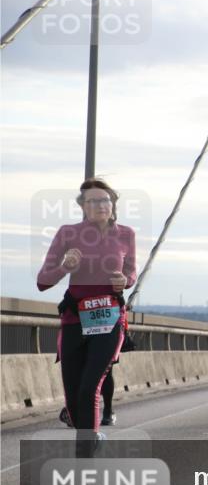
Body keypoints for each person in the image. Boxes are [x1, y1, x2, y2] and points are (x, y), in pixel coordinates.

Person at [37, 177, 136, 452]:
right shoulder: (68, 233)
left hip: (109, 320)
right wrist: (64, 268)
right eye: (93, 201)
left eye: (105, 199)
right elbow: (43, 281)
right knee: (73, 396)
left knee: (89, 388)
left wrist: (124, 281)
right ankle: (90, 435)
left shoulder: (126, 234)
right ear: (83, 206)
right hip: (74, 320)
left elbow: (131, 273)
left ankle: (85, 459)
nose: (101, 205)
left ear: (113, 203)